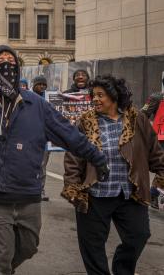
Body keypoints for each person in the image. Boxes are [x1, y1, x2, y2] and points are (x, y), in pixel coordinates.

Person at [0, 43, 109, 275]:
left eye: (11, 62)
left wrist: (96, 156)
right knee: (2, 258)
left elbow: (68, 133)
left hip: (27, 192)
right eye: (0, 63)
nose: (6, 66)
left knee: (28, 247)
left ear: (18, 68)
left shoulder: (36, 105)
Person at [62, 74, 164, 275]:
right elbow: (74, 155)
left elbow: (154, 151)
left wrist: (161, 173)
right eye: (93, 95)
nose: (95, 99)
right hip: (95, 194)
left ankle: (122, 270)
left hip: (129, 193)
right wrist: (72, 185)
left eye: (100, 95)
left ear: (114, 96)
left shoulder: (137, 119)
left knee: (139, 236)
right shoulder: (86, 121)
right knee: (92, 245)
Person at [142, 75, 164, 207]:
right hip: (161, 138)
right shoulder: (157, 97)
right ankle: (154, 192)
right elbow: (142, 115)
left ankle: (155, 192)